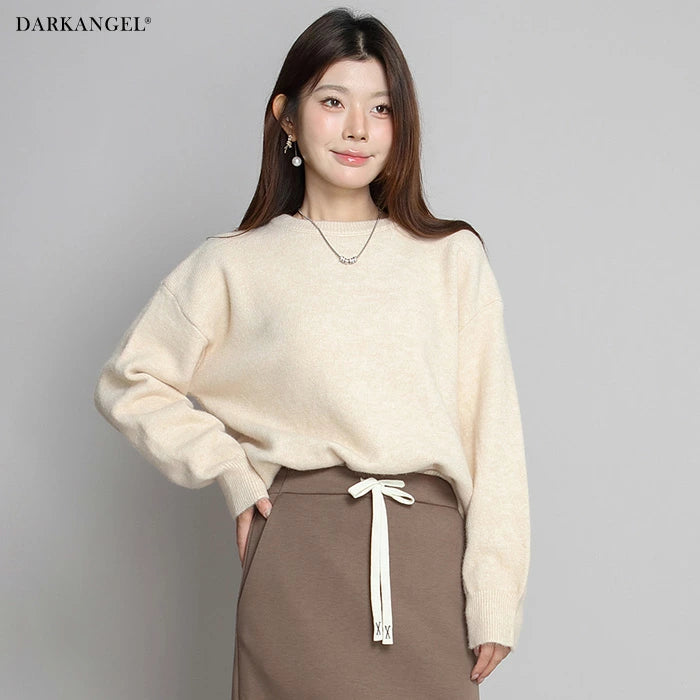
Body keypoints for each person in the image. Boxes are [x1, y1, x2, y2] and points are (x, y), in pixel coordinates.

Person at [93, 7, 531, 699]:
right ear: (287, 118)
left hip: (428, 563)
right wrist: (231, 471)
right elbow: (130, 380)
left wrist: (496, 594)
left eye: (381, 108)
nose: (358, 128)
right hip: (297, 561)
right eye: (333, 102)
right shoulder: (235, 264)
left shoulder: (452, 258)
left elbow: (494, 438)